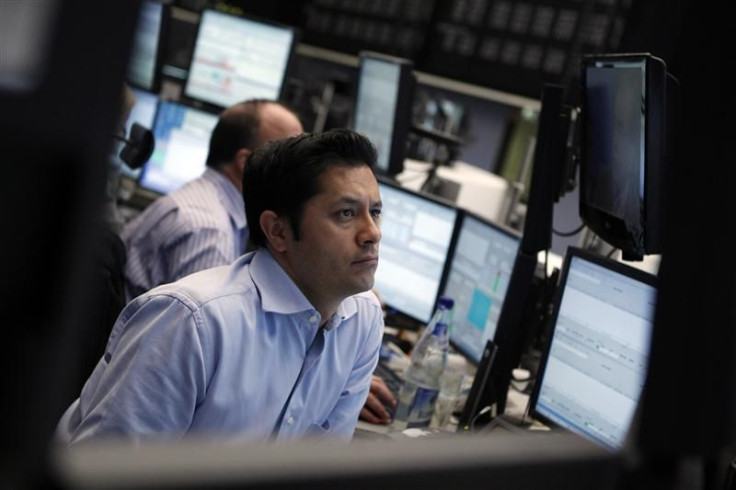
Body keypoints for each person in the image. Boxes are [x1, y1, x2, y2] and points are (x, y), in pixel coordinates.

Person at [56, 128, 386, 444]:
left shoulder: (363, 320)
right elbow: (106, 473)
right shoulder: (192, 322)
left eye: (375, 212)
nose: (372, 233)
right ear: (278, 231)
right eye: (346, 213)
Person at [121, 99, 304, 302]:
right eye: (291, 157)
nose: (299, 172)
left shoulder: (199, 198)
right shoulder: (211, 234)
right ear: (246, 162)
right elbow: (192, 331)